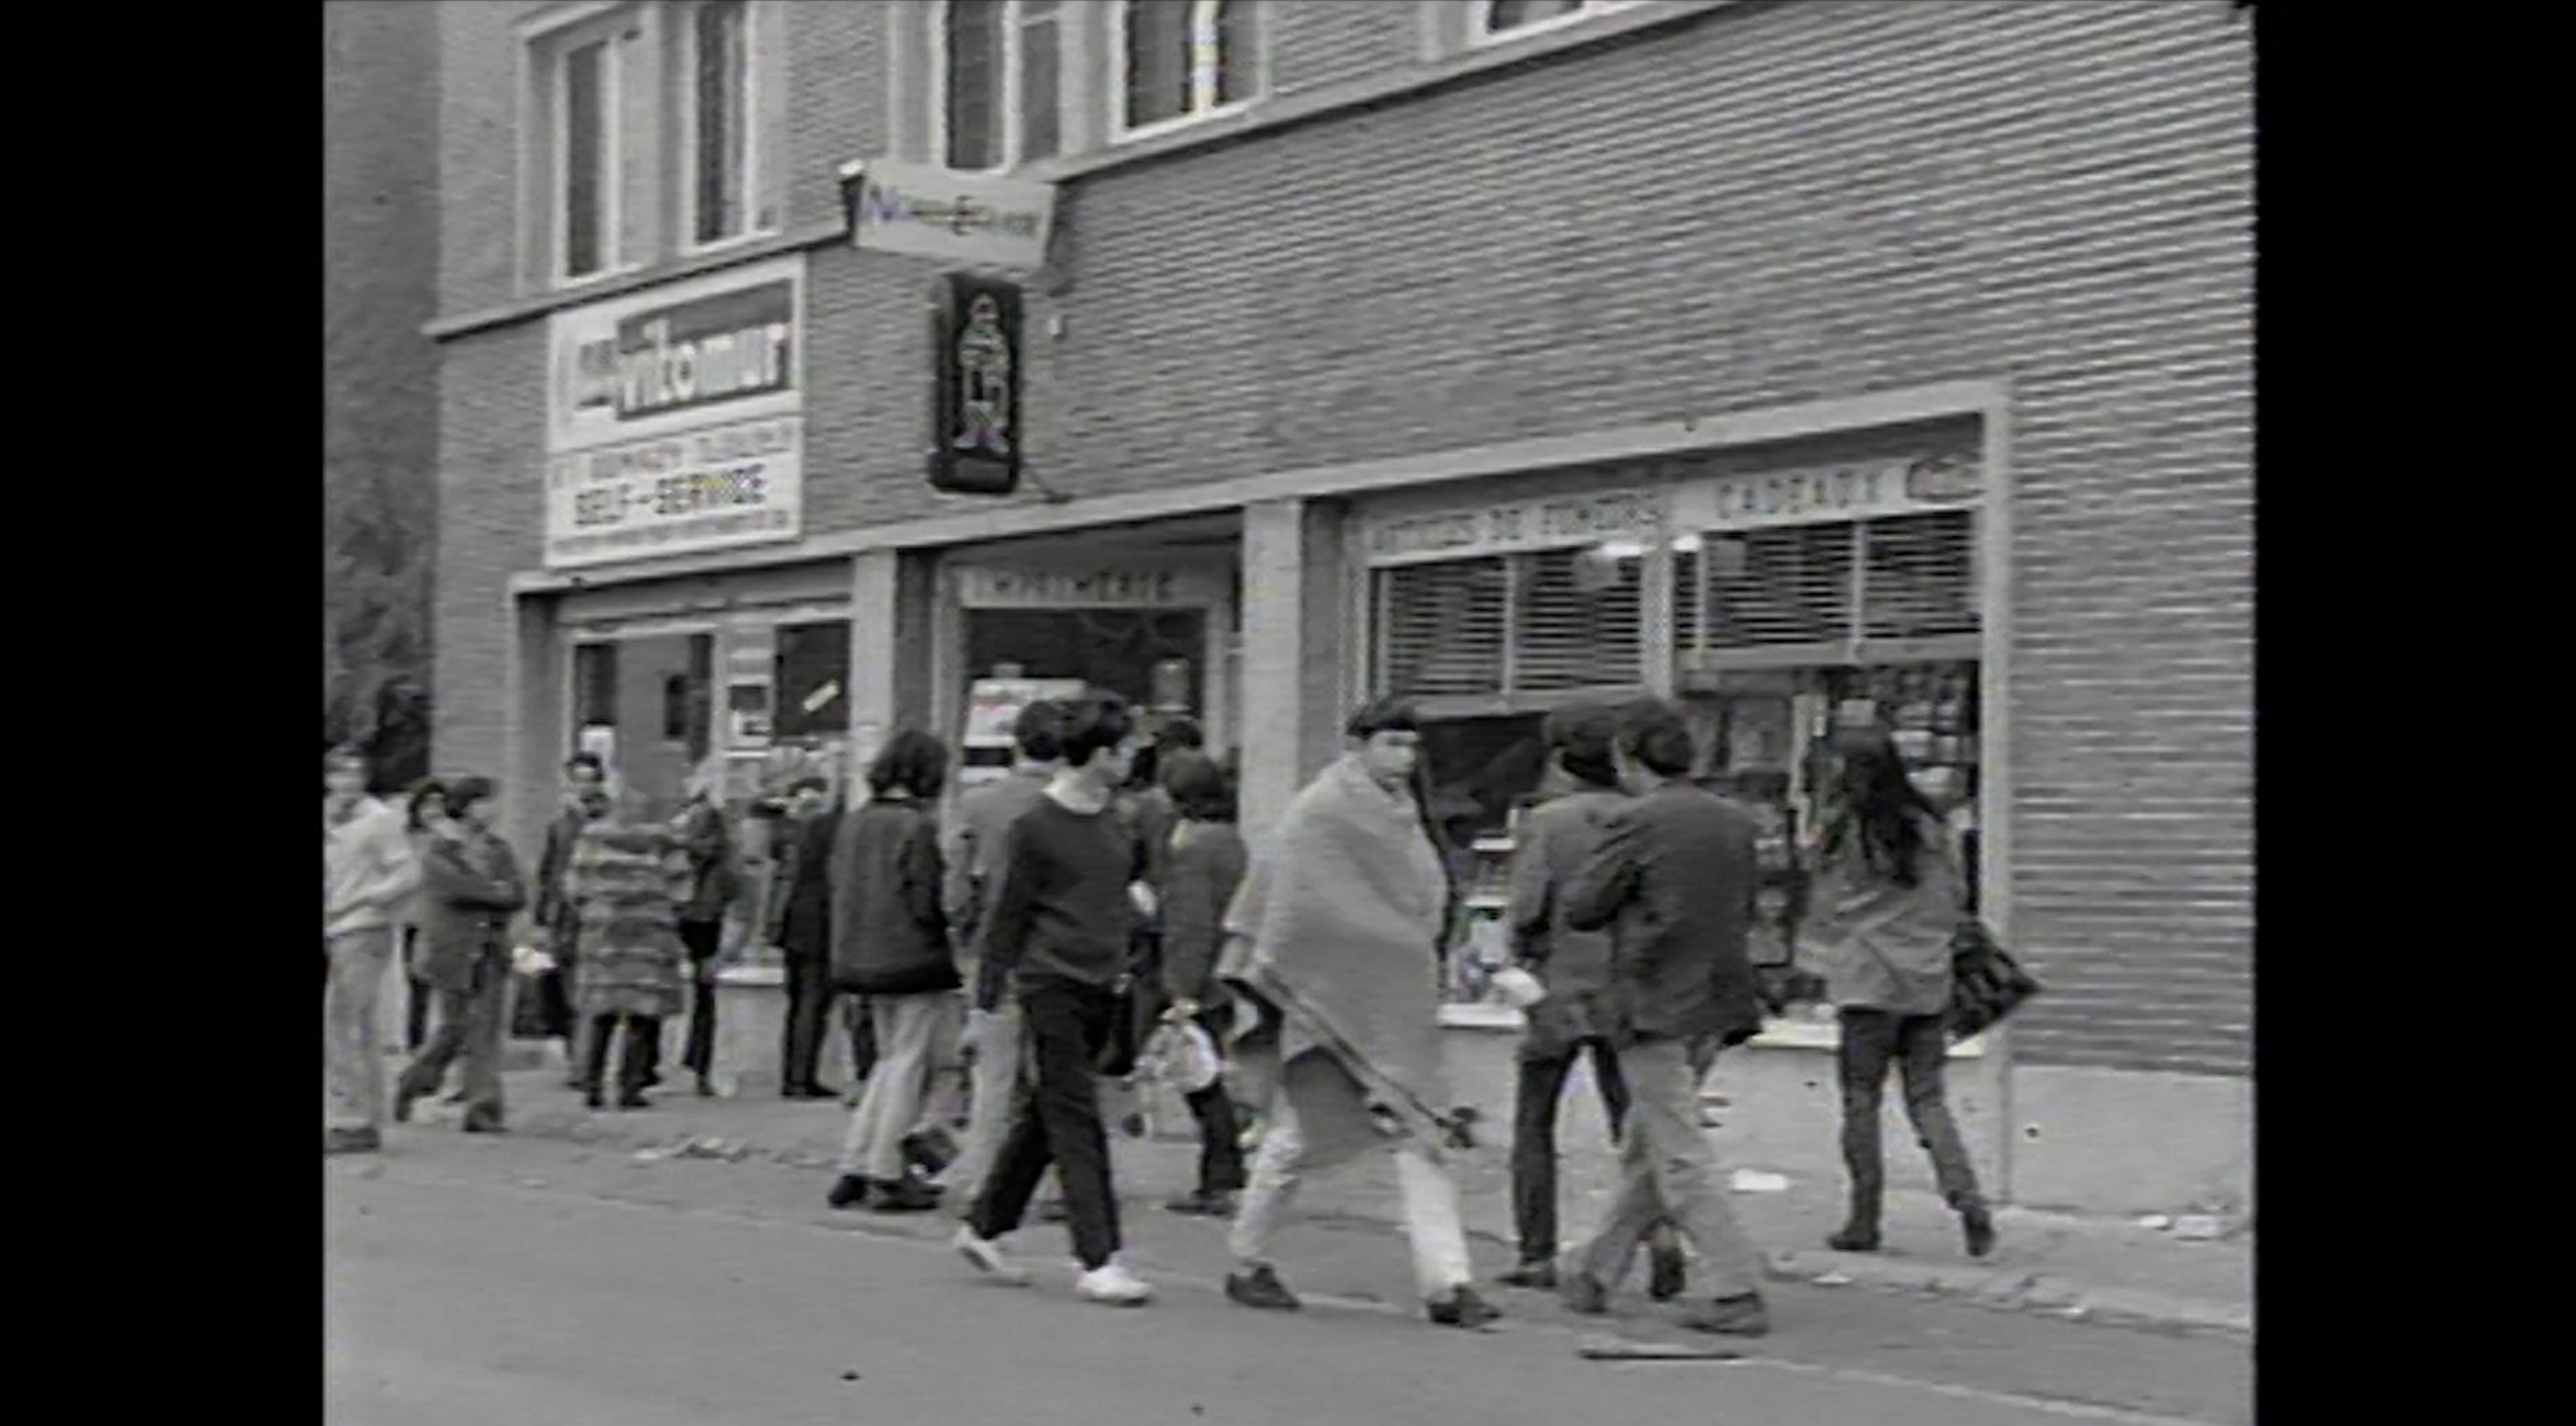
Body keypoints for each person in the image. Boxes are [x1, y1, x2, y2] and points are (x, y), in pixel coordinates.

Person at [1217, 698, 1499, 1330]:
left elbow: (1420, 899)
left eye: (1411, 747)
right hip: (1325, 999)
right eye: (1391, 744)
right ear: (1357, 745)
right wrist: (1382, 945)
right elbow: (1296, 907)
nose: (1402, 758)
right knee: (1295, 1137)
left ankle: (1449, 1284)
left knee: (1419, 1135)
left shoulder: (1404, 816)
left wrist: (1416, 948)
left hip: (1395, 1002)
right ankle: (1247, 1258)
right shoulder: (1318, 812)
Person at [1555, 698, 1774, 1337]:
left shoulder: (1637, 820)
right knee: (1648, 1144)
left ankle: (1736, 1285)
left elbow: (1583, 905)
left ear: (1628, 757)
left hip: (1654, 998)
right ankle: (1596, 1271)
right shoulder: (1733, 820)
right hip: (1719, 998)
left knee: (1676, 1150)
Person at [953, 691, 1156, 1306]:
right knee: (1075, 1115)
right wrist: (988, 992)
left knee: (1050, 1108)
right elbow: (1008, 914)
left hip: (1104, 981)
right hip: (1050, 982)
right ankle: (1098, 1256)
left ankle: (985, 1224)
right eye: (1123, 752)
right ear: (1098, 755)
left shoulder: (1119, 821)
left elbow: (1130, 892)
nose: (1130, 762)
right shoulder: (1035, 827)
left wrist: (1139, 935)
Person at [1498, 704, 1688, 1299]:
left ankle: (1536, 1251)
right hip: (1627, 985)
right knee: (1631, 1125)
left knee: (1535, 1121)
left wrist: (1518, 957)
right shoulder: (1647, 816)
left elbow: (1528, 906)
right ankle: (1658, 1237)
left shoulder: (1549, 823)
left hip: (1560, 985)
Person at [1803, 726, 1996, 1259]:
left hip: (1867, 979)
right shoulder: (1932, 825)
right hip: (1928, 979)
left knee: (1860, 1101)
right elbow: (1956, 895)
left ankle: (1864, 1220)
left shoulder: (1846, 830)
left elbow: (1827, 903)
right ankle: (1967, 1199)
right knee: (1928, 1098)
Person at [824, 732, 966, 1213]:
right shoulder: (915, 826)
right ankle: (886, 1168)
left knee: (887, 1061)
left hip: (858, 954)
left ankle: (855, 1160)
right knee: (909, 1063)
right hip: (910, 957)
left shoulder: (855, 822)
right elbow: (926, 900)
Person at [932, 699, 1065, 1206]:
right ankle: (1053, 1183)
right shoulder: (1077, 806)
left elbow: (955, 892)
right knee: (1053, 1075)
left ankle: (985, 1178)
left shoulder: (980, 804)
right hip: (1059, 956)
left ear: (1017, 745)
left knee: (994, 1075)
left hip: (994, 954)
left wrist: (963, 935)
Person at [393, 777, 526, 1133]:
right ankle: (413, 1081)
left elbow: (517, 893)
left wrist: (496, 893)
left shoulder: (499, 849)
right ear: (466, 807)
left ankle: (483, 1108)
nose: (493, 810)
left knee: (486, 1031)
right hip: (452, 951)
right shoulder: (441, 849)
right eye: (484, 802)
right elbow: (455, 889)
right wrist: (492, 892)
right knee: (453, 1029)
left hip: (491, 949)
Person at [1152, 750, 1248, 1218]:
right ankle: (1225, 1170)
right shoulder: (1231, 841)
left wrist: (1180, 990)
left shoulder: (1192, 850)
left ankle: (1221, 1176)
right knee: (1212, 1075)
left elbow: (1190, 924)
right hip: (1229, 972)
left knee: (1199, 1079)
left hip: (1203, 979)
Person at [567, 785, 691, 1112]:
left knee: (602, 1013)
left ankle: (592, 1084)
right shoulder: (664, 842)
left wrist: (596, 909)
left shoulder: (591, 839)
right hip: (649, 937)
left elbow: (575, 888)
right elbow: (682, 891)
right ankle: (630, 1086)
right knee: (642, 1015)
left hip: (604, 936)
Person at [324, 746, 423, 1155]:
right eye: (339, 774)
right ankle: (347, 1110)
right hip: (331, 926)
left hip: (362, 927)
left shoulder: (380, 820)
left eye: (355, 774)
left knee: (349, 1019)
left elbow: (407, 871)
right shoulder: (329, 816)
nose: (348, 783)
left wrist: (367, 898)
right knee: (336, 1024)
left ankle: (359, 1118)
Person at [536, 754, 613, 1088]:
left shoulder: (610, 820)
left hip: (599, 916)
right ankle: (577, 1060)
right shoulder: (561, 823)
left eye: (590, 779)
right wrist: (543, 917)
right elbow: (549, 870)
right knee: (567, 992)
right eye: (577, 779)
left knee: (592, 991)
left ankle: (588, 1065)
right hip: (564, 918)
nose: (583, 787)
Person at [767, 777, 842, 1099]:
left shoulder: (797, 848)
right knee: (814, 1003)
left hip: (794, 926)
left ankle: (794, 1076)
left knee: (798, 1004)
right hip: (819, 930)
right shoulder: (829, 839)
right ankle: (801, 1076)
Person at [674, 769, 740, 1098]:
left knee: (693, 994)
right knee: (703, 994)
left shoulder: (678, 841)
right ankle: (699, 1066)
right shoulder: (720, 848)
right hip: (704, 918)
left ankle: (688, 1064)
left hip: (688, 916)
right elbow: (733, 887)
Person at [398, 779, 448, 1057]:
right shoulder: (408, 838)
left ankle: (443, 1041)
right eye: (428, 804)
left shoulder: (451, 838)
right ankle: (415, 1041)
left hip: (445, 919)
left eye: (439, 804)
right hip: (415, 918)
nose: (433, 810)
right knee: (416, 982)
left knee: (445, 981)